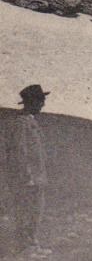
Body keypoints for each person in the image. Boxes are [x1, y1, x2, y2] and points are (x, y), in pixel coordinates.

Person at [1, 85, 49, 252]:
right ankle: (25, 247)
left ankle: (31, 244)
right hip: (27, 178)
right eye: (41, 101)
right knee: (26, 211)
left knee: (35, 211)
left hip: (36, 177)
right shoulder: (20, 123)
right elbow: (19, 151)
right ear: (32, 102)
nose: (43, 104)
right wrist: (27, 176)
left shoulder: (30, 121)